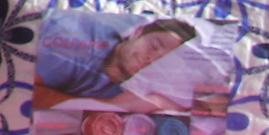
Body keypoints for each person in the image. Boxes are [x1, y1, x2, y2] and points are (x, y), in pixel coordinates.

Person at [33, 16, 198, 111]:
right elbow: (25, 96)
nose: (151, 60)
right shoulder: (74, 41)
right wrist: (114, 106)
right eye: (153, 46)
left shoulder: (137, 88)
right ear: (137, 32)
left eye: (163, 62)